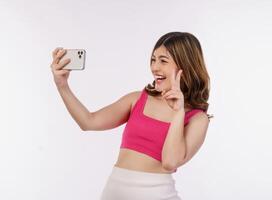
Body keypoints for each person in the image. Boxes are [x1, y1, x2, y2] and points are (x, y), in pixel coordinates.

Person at [50, 31, 213, 200]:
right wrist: (62, 85)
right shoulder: (137, 99)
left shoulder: (197, 119)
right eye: (153, 59)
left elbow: (170, 162)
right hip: (114, 193)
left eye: (163, 61)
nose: (155, 67)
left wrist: (178, 112)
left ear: (184, 67)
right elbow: (88, 122)